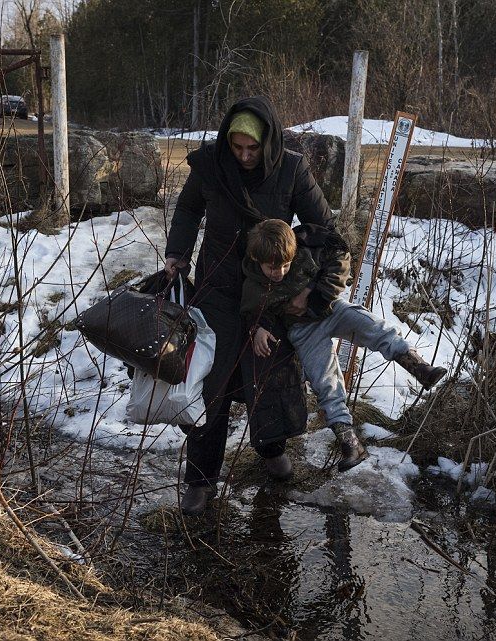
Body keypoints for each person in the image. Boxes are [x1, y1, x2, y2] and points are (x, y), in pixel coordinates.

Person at [163, 96, 334, 516]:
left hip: (270, 294)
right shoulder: (209, 164)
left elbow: (322, 227)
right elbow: (187, 209)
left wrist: (307, 282)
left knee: (267, 376)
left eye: (252, 149)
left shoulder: (292, 169)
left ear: (268, 142)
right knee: (211, 382)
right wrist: (177, 253)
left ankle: (272, 450)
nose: (243, 156)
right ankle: (201, 480)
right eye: (236, 147)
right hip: (217, 290)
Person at [240, 219, 447, 471]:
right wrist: (258, 328)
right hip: (303, 331)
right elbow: (251, 312)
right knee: (326, 382)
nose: (280, 272)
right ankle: (351, 444)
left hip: (330, 310)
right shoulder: (253, 285)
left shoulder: (306, 251)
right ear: (256, 259)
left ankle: (419, 367)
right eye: (273, 268)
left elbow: (339, 260)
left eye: (285, 265)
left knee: (372, 326)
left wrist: (315, 293)